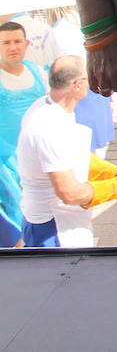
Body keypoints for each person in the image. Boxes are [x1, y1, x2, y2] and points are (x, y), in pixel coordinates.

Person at [16, 55, 117, 247]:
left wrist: (116, 173)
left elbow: (71, 156)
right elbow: (70, 193)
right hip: (54, 230)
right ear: (76, 85)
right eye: (87, 78)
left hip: (63, 224)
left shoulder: (48, 106)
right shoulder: (47, 127)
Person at [1, 21, 46, 244]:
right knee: (16, 208)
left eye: (17, 41)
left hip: (37, 154)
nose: (12, 47)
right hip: (6, 160)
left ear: (26, 43)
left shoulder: (37, 71)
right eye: (6, 42)